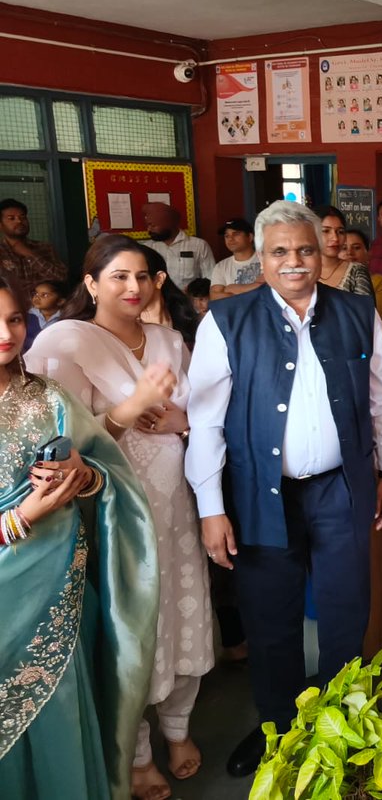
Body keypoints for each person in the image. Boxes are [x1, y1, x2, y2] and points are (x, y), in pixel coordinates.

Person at [185, 200, 382, 778]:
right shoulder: (225, 321)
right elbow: (205, 421)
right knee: (270, 619)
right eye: (280, 251)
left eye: (305, 249)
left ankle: (342, 724)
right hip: (262, 493)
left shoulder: (359, 312)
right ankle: (278, 730)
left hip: (342, 487)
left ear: (321, 249)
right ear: (261, 255)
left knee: (344, 611)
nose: (294, 261)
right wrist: (211, 509)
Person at [26, 235, 213, 800]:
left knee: (185, 616)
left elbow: (198, 417)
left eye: (144, 277)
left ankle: (178, 729)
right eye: (118, 277)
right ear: (90, 284)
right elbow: (59, 446)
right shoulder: (66, 341)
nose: (134, 288)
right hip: (113, 514)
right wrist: (128, 411)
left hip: (177, 506)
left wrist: (180, 422)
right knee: (131, 628)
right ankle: (133, 752)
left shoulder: (168, 339)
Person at [0, 275, 159, 800]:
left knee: (64, 703)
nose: (6, 333)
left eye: (15, 319)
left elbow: (106, 474)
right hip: (6, 596)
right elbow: (19, 515)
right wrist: (22, 515)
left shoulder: (50, 398)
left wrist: (81, 475)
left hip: (61, 591)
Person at [0, 197, 67, 303]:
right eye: (11, 218)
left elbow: (61, 277)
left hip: (47, 313)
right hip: (12, 309)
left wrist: (30, 254)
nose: (19, 221)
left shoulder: (44, 248)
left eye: (23, 217)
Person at [140, 245, 201, 348]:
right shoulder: (122, 324)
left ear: (159, 279)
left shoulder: (185, 316)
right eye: (121, 277)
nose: (131, 286)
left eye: (140, 277)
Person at [142, 203, 215, 287]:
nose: (149, 230)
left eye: (153, 226)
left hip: (188, 299)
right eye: (148, 225)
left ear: (168, 224)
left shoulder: (199, 245)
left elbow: (210, 278)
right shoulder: (148, 247)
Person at [314, 205, 373, 297]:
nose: (335, 238)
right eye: (326, 231)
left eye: (340, 232)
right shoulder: (303, 271)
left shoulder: (356, 272)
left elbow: (365, 310)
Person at [341, 228, 382, 318]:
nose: (349, 253)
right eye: (343, 248)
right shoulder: (326, 282)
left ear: (368, 254)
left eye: (356, 248)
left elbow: (376, 319)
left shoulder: (380, 283)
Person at [209, 218, 263, 299]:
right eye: (227, 236)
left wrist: (231, 289)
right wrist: (254, 289)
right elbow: (214, 296)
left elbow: (270, 288)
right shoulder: (221, 267)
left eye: (236, 234)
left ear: (250, 237)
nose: (230, 239)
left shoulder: (265, 259)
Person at [25, 278, 66, 349]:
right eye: (36, 293)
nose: (37, 297)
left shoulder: (65, 318)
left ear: (60, 301)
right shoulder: (28, 316)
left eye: (45, 295)